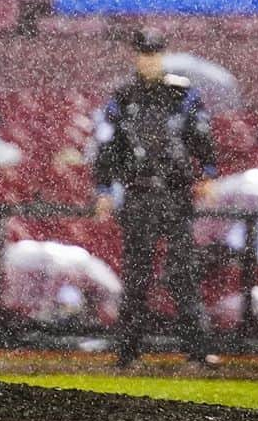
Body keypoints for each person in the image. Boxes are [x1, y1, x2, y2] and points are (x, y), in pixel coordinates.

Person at [94, 27, 221, 368]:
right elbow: (108, 149)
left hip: (175, 193)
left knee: (182, 274)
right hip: (138, 193)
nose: (149, 60)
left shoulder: (182, 95)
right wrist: (104, 190)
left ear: (161, 55)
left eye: (154, 54)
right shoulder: (122, 98)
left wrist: (208, 173)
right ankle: (128, 352)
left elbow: (201, 137)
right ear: (136, 56)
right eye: (144, 53)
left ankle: (196, 351)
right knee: (137, 276)